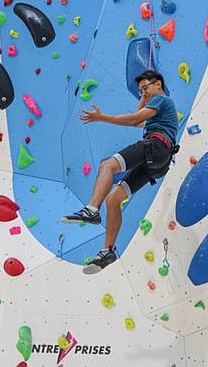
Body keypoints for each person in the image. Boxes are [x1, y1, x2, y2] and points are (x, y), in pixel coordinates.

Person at [61, 70, 179, 274]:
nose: (145, 93)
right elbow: (140, 121)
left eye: (146, 88)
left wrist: (101, 117)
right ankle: (108, 251)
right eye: (141, 91)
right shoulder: (157, 111)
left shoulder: (161, 99)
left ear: (158, 83)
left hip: (156, 145)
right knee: (113, 200)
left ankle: (91, 209)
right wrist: (143, 98)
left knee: (108, 165)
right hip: (158, 163)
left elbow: (134, 120)